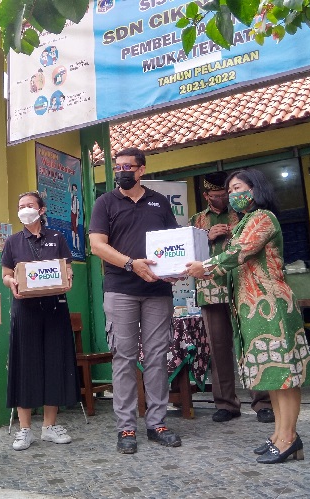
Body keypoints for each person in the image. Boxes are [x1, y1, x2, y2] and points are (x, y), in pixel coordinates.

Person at [185, 169, 310, 464]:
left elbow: (240, 253)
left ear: (256, 189)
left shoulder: (263, 218)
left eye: (237, 188)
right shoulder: (245, 221)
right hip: (251, 306)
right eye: (230, 190)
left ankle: (289, 437)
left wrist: (203, 267)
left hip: (271, 304)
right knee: (272, 374)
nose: (233, 195)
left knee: (285, 374)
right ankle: (279, 435)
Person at [88, 147, 182, 454]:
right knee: (124, 358)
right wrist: (131, 264)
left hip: (157, 291)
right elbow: (97, 245)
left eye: (128, 167)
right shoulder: (105, 202)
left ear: (141, 169)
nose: (122, 172)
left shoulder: (159, 201)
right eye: (118, 168)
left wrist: (175, 269)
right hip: (120, 289)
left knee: (157, 358)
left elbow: (174, 243)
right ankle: (126, 427)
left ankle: (157, 423)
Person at [190, 172, 274, 424]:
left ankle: (263, 402)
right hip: (211, 290)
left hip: (243, 289)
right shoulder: (197, 220)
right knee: (218, 350)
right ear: (206, 196)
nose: (223, 198)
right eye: (216, 196)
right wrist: (206, 236)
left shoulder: (245, 215)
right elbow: (187, 256)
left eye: (226, 193)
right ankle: (226, 403)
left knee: (250, 346)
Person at [2, 191, 81, 451]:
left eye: (30, 205)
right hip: (25, 310)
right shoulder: (13, 241)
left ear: (41, 209)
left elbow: (66, 268)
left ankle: (49, 426)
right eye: (21, 206)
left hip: (55, 308)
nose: (25, 209)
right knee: (25, 365)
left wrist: (67, 277)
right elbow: (6, 274)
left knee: (54, 363)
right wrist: (11, 282)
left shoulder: (57, 238)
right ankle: (25, 430)